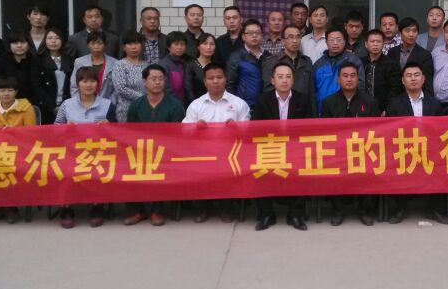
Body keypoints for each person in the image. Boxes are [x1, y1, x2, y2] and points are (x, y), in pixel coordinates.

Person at [183, 63, 251, 223]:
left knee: (230, 166)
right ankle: (203, 208)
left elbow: (248, 131)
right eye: (211, 78)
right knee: (199, 167)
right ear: (205, 81)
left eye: (219, 77)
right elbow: (184, 130)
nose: (215, 81)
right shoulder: (196, 105)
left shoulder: (239, 104)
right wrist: (195, 128)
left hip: (231, 153)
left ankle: (226, 208)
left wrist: (236, 128)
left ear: (225, 79)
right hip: (203, 153)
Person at [53, 66, 117, 229]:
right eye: (84, 81)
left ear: (98, 84)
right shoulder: (67, 105)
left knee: (99, 166)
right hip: (71, 152)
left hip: (99, 151)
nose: (88, 85)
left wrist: (109, 126)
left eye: (92, 81)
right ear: (78, 84)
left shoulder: (107, 104)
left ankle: (97, 206)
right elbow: (54, 130)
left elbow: (116, 133)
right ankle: (66, 208)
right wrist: (65, 128)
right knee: (65, 168)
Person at [251, 62, 312, 231]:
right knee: (259, 169)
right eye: (280, 77)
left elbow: (310, 126)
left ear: (293, 79)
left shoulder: (302, 99)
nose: (284, 80)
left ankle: (295, 214)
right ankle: (266, 214)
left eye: (288, 77)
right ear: (273, 80)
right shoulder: (263, 100)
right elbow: (255, 126)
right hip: (270, 148)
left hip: (295, 148)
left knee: (301, 168)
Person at [123, 64, 185, 227]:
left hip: (166, 152)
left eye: (161, 79)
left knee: (161, 167)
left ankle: (157, 210)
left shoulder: (174, 105)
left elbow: (177, 135)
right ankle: (138, 210)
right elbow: (130, 132)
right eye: (154, 79)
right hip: (140, 152)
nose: (158, 82)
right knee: (126, 167)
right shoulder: (136, 104)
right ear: (145, 81)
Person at [320, 62, 380, 226]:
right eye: (345, 76)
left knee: (371, 167)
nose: (349, 79)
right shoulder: (328, 103)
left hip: (364, 150)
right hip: (337, 152)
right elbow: (325, 132)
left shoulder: (370, 102)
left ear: (358, 79)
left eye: (353, 76)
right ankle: (338, 210)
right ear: (338, 79)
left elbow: (377, 131)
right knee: (333, 168)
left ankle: (365, 210)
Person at [386, 63, 445, 224]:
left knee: (442, 163)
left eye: (416, 75)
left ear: (423, 79)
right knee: (396, 164)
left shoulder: (435, 103)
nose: (413, 79)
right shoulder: (395, 103)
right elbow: (390, 131)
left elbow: (440, 131)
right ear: (403, 81)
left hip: (430, 149)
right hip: (403, 149)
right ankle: (400, 208)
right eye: (409, 76)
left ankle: (435, 209)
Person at [0, 76, 37, 224]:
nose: (6, 94)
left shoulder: (26, 108)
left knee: (10, 166)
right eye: (2, 90)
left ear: (16, 92)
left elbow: (32, 133)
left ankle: (10, 206)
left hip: (21, 150)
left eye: (10, 90)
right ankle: (2, 204)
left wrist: (14, 133)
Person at [0, 31, 49, 118]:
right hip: (6, 105)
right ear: (9, 45)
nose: (19, 45)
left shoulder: (35, 61)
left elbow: (39, 86)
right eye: (15, 43)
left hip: (31, 106)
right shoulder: (1, 62)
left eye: (22, 42)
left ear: (28, 44)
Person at [313, 28, 365, 115]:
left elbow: (360, 85)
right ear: (326, 42)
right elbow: (313, 90)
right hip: (322, 110)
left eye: (339, 40)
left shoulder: (353, 60)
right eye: (332, 40)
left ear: (344, 41)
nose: (335, 43)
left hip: (347, 110)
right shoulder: (318, 64)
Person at [259, 25, 315, 104]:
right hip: (280, 105)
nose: (295, 41)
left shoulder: (307, 62)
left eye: (298, 37)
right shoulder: (271, 62)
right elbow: (268, 90)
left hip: (303, 107)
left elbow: (311, 91)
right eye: (291, 37)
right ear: (283, 41)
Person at [226, 19, 270, 110]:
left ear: (262, 36)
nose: (254, 35)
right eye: (250, 33)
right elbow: (230, 84)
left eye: (257, 32)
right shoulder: (236, 56)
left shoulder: (268, 56)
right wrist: (234, 106)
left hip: (266, 105)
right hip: (244, 106)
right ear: (243, 37)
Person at [386, 17, 435, 96]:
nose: (411, 34)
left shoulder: (425, 55)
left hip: (415, 97)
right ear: (400, 33)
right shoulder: (392, 52)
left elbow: (427, 83)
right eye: (407, 31)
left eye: (414, 31)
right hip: (395, 97)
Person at [362, 29, 403, 113]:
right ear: (366, 44)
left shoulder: (391, 64)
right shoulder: (361, 62)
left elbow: (395, 90)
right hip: (362, 107)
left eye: (378, 41)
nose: (375, 44)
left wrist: (387, 109)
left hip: (383, 108)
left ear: (383, 44)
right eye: (372, 41)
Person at [37, 27, 73, 121]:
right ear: (45, 41)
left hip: (66, 106)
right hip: (45, 108)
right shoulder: (38, 60)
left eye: (57, 38)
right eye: (50, 38)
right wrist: (52, 107)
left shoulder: (70, 60)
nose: (53, 41)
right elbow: (37, 87)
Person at [110, 31, 147, 122]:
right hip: (126, 110)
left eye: (137, 43)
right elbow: (121, 88)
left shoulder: (147, 65)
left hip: (145, 110)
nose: (134, 47)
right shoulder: (119, 65)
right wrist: (143, 98)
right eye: (130, 44)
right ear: (123, 47)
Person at [70, 31, 117, 100]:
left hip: (107, 102)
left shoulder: (115, 63)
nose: (96, 46)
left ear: (105, 45)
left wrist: (109, 104)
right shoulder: (79, 62)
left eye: (99, 43)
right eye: (93, 43)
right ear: (88, 45)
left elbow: (117, 89)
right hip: (84, 102)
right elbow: (74, 86)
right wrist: (79, 103)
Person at [158, 31, 191, 107]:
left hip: (188, 104)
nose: (179, 47)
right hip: (171, 105)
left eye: (182, 44)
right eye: (176, 44)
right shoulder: (163, 64)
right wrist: (177, 105)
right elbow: (166, 89)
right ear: (169, 47)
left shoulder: (189, 62)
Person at [184, 32, 217, 104]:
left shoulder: (217, 65)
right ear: (198, 47)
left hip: (216, 103)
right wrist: (197, 104)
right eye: (205, 44)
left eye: (212, 44)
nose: (208, 47)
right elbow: (188, 89)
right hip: (196, 104)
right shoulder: (190, 65)